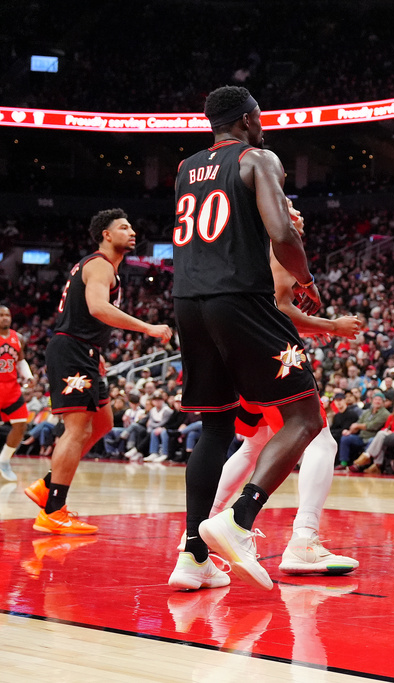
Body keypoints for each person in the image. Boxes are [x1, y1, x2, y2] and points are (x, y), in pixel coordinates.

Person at [169, 85, 325, 591]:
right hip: (239, 297)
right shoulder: (258, 157)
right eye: (259, 114)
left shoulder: (185, 168)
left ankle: (192, 558)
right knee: (305, 416)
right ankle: (239, 518)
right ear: (245, 118)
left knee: (214, 430)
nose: (263, 121)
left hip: (187, 303)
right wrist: (306, 282)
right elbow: (282, 234)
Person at [24, 209, 172, 534]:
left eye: (132, 225)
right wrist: (148, 328)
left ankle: (47, 485)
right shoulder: (100, 265)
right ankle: (53, 510)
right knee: (75, 430)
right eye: (123, 226)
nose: (131, 231)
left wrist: (98, 353)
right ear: (106, 235)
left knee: (103, 423)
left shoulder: (101, 267)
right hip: (73, 350)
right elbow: (98, 308)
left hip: (86, 351)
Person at [0, 306, 34, 481]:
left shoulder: (18, 338)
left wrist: (28, 376)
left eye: (7, 315)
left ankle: (4, 460)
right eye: (1, 315)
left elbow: (21, 361)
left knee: (21, 426)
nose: (5, 318)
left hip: (11, 388)